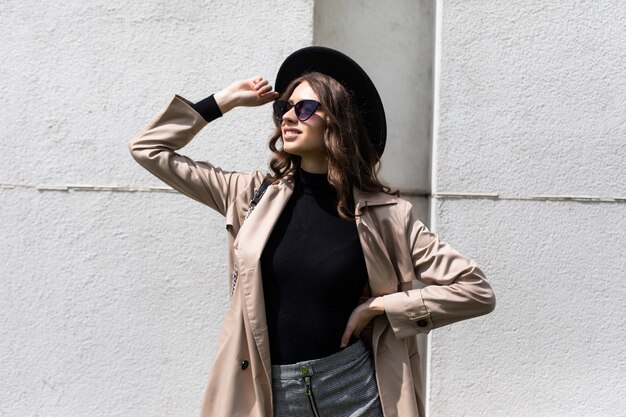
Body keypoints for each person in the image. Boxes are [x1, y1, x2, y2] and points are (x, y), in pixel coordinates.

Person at [129, 46, 495, 417]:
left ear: (337, 121)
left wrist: (381, 306)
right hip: (270, 393)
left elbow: (475, 290)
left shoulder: (386, 217)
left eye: (304, 108)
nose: (288, 117)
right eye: (283, 108)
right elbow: (148, 149)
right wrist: (224, 101)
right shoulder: (247, 196)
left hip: (354, 391)